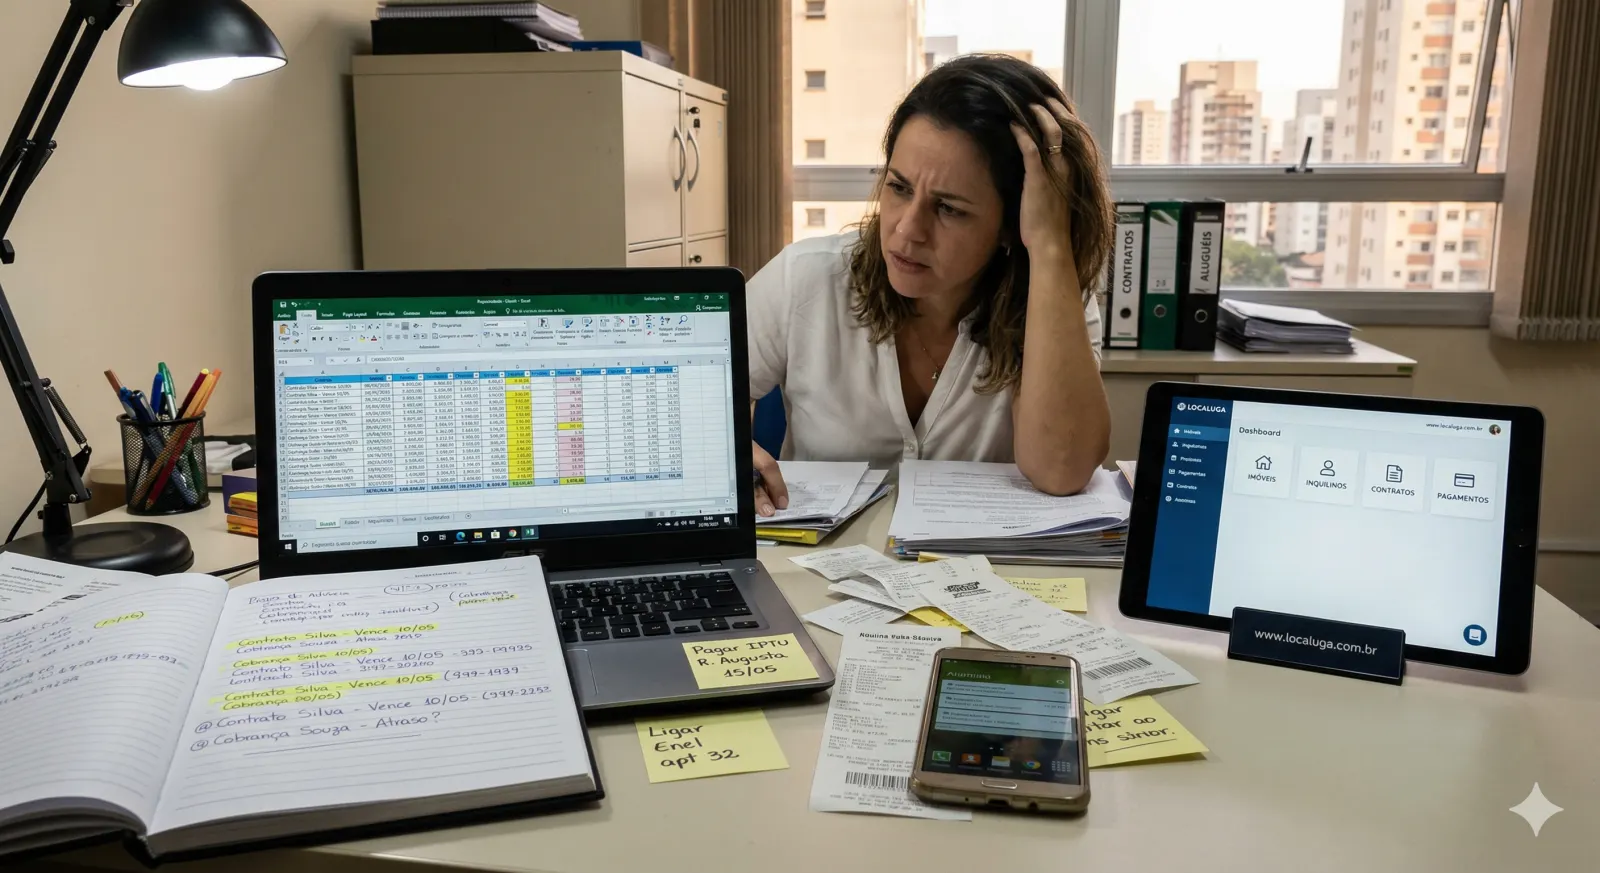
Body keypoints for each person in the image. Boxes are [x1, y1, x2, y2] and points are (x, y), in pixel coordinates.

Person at [746, 54, 1114, 516]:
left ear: (1013, 222)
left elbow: (1062, 470)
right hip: (807, 576)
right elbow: (686, 401)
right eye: (899, 188)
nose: (906, 231)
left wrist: (1051, 246)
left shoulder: (1053, 296)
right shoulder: (806, 278)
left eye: (949, 209)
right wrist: (727, 448)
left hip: (983, 580)